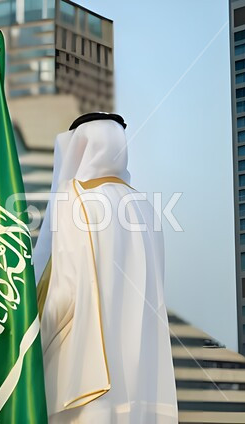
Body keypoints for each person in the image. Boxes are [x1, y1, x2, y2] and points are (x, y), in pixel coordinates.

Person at [33, 113, 178, 423]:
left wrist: (28, 342)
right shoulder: (148, 210)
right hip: (142, 387)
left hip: (83, 386)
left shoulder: (75, 199)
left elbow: (64, 295)